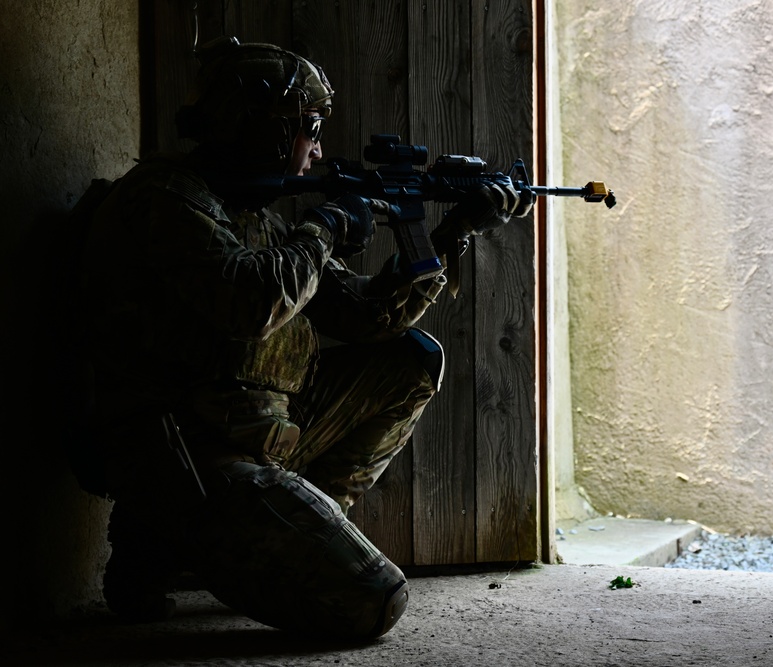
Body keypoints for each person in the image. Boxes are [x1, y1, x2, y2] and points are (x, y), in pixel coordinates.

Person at [74, 36, 534, 640]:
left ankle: (287, 532)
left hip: (260, 433)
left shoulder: (254, 214)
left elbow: (367, 318)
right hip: (188, 453)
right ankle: (165, 537)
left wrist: (454, 232)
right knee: (373, 600)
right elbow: (248, 302)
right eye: (308, 127)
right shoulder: (164, 200)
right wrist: (323, 226)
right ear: (261, 128)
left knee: (410, 361)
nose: (317, 150)